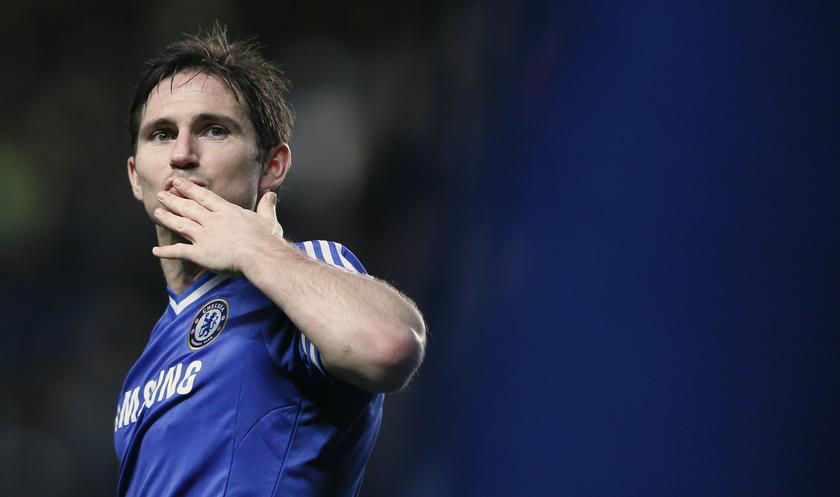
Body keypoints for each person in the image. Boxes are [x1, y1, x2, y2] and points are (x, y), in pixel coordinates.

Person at [113, 24, 426, 497]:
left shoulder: (301, 274)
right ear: (137, 178)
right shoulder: (148, 358)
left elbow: (390, 346)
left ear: (273, 166)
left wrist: (255, 248)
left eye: (214, 130)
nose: (181, 154)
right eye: (161, 134)